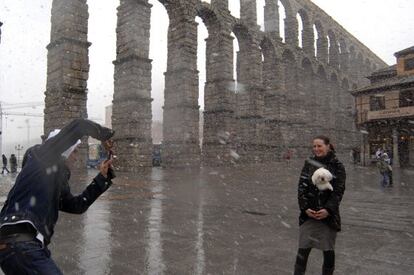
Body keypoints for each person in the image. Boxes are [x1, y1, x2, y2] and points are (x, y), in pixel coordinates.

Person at [0, 118, 115, 274]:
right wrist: (104, 135)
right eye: (74, 150)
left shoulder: (54, 181)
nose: (76, 156)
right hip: (21, 244)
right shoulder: (44, 157)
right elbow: (79, 126)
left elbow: (77, 205)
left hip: (21, 247)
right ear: (63, 150)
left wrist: (101, 178)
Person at [294, 136, 346, 275]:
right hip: (309, 215)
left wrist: (328, 210)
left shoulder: (337, 166)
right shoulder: (309, 163)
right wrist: (305, 208)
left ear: (328, 146)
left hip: (327, 216)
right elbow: (301, 188)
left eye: (319, 146)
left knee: (328, 251)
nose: (316, 149)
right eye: (314, 146)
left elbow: (338, 192)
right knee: (303, 250)